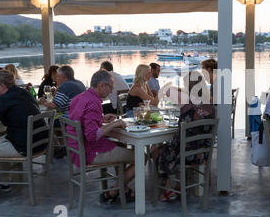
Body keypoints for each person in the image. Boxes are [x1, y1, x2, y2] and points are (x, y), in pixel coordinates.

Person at [68, 70, 135, 203]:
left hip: (76, 150)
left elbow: (83, 121)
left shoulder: (80, 97)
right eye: (110, 86)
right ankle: (114, 191)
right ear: (101, 85)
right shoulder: (93, 102)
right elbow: (92, 135)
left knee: (120, 146)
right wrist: (115, 123)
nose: (111, 91)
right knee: (141, 157)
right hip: (90, 152)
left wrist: (101, 119)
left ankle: (124, 189)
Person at [150, 71, 214, 201]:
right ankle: (179, 185)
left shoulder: (186, 102)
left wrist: (177, 89)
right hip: (202, 153)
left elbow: (167, 90)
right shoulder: (210, 105)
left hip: (186, 154)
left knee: (156, 150)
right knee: (176, 147)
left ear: (188, 87)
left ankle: (168, 189)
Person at [0, 70, 46, 199]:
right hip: (40, 143)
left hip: (23, 146)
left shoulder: (3, 99)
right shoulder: (23, 92)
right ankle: (4, 182)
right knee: (0, 138)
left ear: (1, 86)